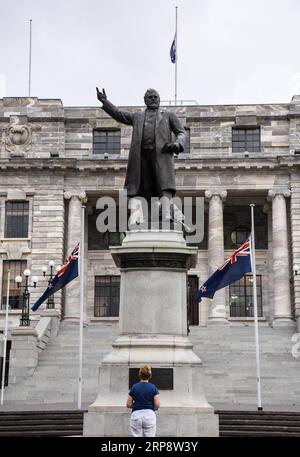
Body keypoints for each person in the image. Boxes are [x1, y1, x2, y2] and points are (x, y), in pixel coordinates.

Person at [96, 87, 186, 219]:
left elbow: (181, 132)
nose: (154, 99)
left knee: (164, 185)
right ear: (145, 100)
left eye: (156, 97)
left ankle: (167, 214)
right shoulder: (137, 117)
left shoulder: (169, 116)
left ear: (159, 100)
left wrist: (178, 144)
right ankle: (149, 217)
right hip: (142, 157)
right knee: (146, 188)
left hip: (161, 155)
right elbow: (119, 114)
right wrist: (105, 102)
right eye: (150, 97)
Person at [126, 364, 160, 437]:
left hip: (136, 415)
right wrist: (151, 407)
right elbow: (157, 404)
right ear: (150, 376)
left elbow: (128, 404)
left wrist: (136, 405)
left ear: (139, 374)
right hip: (149, 414)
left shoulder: (134, 387)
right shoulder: (153, 387)